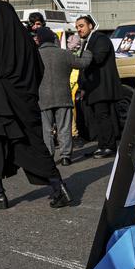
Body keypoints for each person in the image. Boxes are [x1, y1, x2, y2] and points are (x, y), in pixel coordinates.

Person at [0, 1, 72, 209]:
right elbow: (39, 70)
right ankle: (57, 185)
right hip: (25, 104)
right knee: (32, 146)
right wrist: (26, 92)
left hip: (0, 105)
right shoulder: (27, 41)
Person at [36, 27, 91, 166]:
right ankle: (66, 156)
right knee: (64, 128)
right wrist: (88, 52)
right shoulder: (64, 53)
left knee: (46, 130)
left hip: (43, 98)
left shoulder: (35, 55)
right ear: (53, 39)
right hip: (63, 96)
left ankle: (49, 157)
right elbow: (82, 63)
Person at [75, 15, 123, 158]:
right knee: (98, 117)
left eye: (81, 26)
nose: (79, 29)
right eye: (77, 27)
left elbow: (98, 58)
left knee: (103, 116)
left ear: (90, 26)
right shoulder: (87, 42)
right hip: (92, 88)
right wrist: (82, 86)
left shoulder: (100, 39)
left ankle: (109, 146)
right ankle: (102, 145)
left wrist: (80, 55)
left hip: (102, 86)